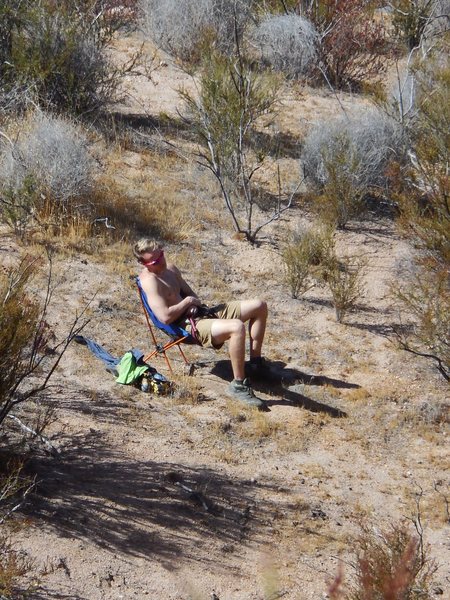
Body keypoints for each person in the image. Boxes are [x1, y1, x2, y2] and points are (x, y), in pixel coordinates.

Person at [133, 238, 271, 409]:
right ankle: (238, 386)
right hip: (186, 327)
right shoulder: (150, 282)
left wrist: (193, 303)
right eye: (155, 261)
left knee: (259, 306)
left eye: (161, 255)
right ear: (143, 263)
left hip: (201, 313)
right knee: (237, 327)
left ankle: (255, 364)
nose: (161, 261)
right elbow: (165, 317)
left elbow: (192, 294)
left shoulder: (171, 269)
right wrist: (187, 303)